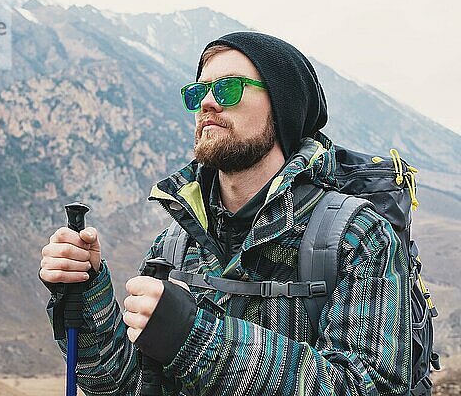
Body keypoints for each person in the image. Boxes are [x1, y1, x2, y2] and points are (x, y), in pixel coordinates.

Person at [39, 32, 411, 395]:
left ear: (283, 108)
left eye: (229, 89)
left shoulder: (356, 235)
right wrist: (87, 293)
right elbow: (124, 385)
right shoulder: (176, 243)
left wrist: (195, 338)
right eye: (198, 92)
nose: (208, 104)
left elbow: (368, 386)